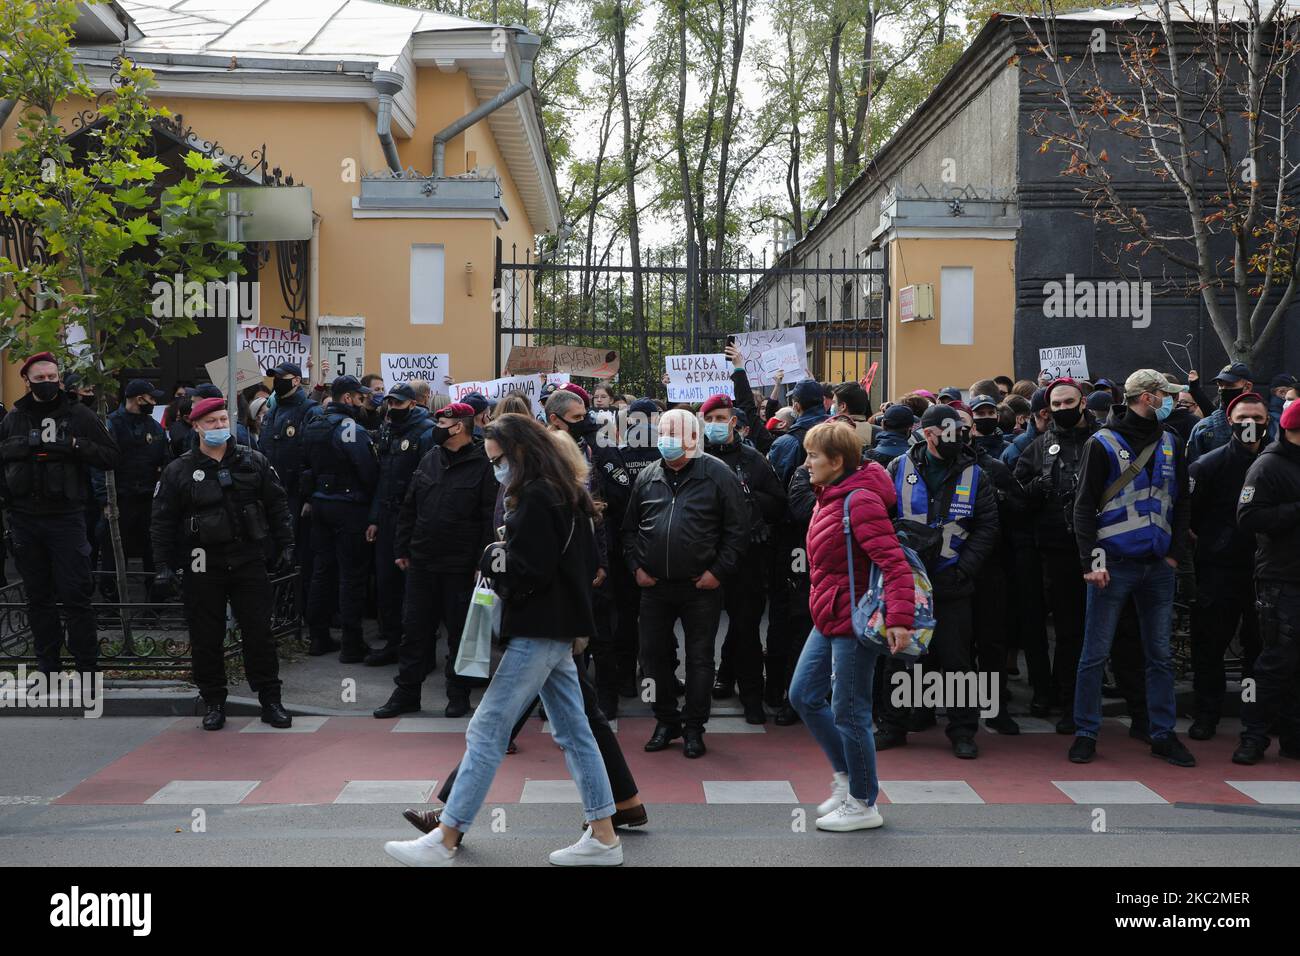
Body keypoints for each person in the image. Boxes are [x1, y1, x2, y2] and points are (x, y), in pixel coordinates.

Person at [383, 414, 625, 867]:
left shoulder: (536, 497)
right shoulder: (566, 492)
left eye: (498, 460)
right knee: (574, 732)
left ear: (518, 454)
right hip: (559, 623)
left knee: (488, 728)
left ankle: (447, 835)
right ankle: (604, 836)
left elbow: (531, 569)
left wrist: (495, 559)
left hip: (538, 625)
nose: (496, 469)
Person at [792, 420, 914, 831]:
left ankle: (863, 802)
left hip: (855, 620)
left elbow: (893, 563)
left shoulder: (858, 500)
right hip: (829, 614)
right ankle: (847, 778)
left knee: (850, 711)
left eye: (812, 455)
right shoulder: (828, 495)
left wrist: (899, 620)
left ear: (837, 461)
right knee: (804, 695)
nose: (806, 463)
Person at [1068, 370, 1194, 767]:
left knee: (1159, 655)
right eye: (1165, 394)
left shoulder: (1172, 441)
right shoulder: (1102, 443)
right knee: (1094, 653)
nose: (1170, 401)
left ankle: (1162, 733)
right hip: (1113, 564)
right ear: (1147, 397)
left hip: (1157, 565)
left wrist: (1174, 556)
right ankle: (1085, 732)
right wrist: (1091, 562)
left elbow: (1181, 502)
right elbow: (1083, 507)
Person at [150, 397, 294, 730]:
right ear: (196, 426)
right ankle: (214, 701)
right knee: (206, 635)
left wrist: (287, 544)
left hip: (247, 559)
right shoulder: (178, 470)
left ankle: (270, 700)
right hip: (202, 563)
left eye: (222, 421)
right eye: (211, 422)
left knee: (259, 632)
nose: (219, 427)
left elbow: (276, 505)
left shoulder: (253, 460)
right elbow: (162, 521)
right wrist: (163, 565)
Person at [623, 408, 749, 757]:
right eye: (663, 433)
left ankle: (694, 727)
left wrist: (718, 572)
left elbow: (738, 531)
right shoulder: (648, 475)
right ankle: (666, 721)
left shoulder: (718, 475)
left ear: (694, 438)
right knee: (652, 657)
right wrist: (636, 567)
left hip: (700, 588)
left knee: (700, 660)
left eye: (675, 435)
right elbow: (630, 530)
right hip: (654, 587)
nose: (666, 441)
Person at [878, 403, 999, 758]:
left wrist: (965, 569)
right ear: (927, 434)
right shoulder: (897, 468)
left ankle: (963, 731)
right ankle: (892, 725)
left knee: (957, 659)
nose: (957, 439)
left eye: (961, 432)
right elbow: (881, 519)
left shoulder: (976, 474)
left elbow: (987, 526)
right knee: (898, 655)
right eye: (949, 433)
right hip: (907, 583)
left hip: (952, 581)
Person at [0, 353, 120, 676]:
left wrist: (77, 446)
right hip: (25, 520)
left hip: (66, 519)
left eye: (52, 377)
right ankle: (48, 667)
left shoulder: (78, 415)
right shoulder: (14, 418)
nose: (47, 383)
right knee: (38, 599)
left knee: (75, 595)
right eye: (39, 379)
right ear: (26, 380)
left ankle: (86, 667)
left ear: (60, 378)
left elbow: (111, 456)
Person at [376, 402, 498, 719]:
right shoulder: (431, 458)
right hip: (423, 560)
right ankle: (406, 693)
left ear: (458, 426)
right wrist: (402, 548)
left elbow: (489, 518)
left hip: (460, 566)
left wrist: (480, 563)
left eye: (441, 421)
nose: (436, 426)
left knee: (459, 633)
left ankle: (457, 694)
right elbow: (410, 506)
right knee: (414, 629)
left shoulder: (484, 463)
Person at [1188, 393, 1270, 748]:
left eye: (1257, 417)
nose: (1250, 423)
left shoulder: (1277, 462)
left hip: (1265, 574)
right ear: (1230, 420)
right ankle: (1207, 714)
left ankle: (1255, 716)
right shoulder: (1208, 466)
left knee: (1259, 651)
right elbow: (1189, 518)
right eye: (1243, 417)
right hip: (1218, 570)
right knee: (1209, 647)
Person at [1015, 379, 1097, 727]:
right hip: (1046, 548)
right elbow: (1017, 495)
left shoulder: (1101, 442)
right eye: (1056, 404)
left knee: (1072, 630)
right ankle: (1043, 691)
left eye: (1069, 402)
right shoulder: (1037, 446)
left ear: (1083, 403)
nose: (1063, 409)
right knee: (1037, 626)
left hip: (1090, 549)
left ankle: (1069, 702)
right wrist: (1038, 487)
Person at [544, 389, 631, 718]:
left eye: (586, 416)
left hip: (594, 556)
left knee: (600, 633)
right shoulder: (539, 452)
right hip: (553, 561)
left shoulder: (600, 446)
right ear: (555, 420)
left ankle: (605, 699)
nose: (587, 423)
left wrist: (603, 556)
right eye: (578, 419)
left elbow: (618, 497)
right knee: (555, 636)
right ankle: (556, 700)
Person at [701, 394, 786, 723]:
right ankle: (701, 700)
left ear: (734, 421)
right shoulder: (697, 457)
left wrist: (746, 495)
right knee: (701, 634)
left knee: (746, 629)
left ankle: (752, 696)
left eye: (721, 419)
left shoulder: (754, 461)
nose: (715, 426)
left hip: (747, 558)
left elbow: (779, 505)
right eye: (709, 420)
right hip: (704, 558)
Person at [1235, 398, 1300, 764]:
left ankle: (1293, 735)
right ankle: (1252, 736)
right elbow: (1249, 517)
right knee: (1273, 662)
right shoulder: (1268, 466)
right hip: (1280, 579)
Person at [301, 376, 379, 662]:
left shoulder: (314, 424)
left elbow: (305, 465)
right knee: (352, 576)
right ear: (347, 398)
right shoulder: (350, 429)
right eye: (360, 398)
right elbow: (368, 470)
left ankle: (318, 637)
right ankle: (351, 643)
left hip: (321, 504)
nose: (363, 403)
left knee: (323, 571)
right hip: (349, 506)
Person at [365, 383, 437, 666]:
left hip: (415, 519)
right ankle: (394, 642)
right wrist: (374, 518)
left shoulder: (426, 432)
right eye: (390, 404)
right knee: (387, 584)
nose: (393, 408)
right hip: (387, 515)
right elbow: (382, 478)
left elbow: (429, 482)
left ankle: (422, 651)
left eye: (398, 404)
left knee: (416, 588)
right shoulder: (387, 430)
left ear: (412, 404)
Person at [92, 379, 169, 600]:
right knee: (113, 556)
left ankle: (155, 605)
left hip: (147, 501)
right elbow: (99, 466)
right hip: (119, 500)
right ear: (139, 399)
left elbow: (164, 461)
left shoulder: (153, 427)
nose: (154, 402)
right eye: (151, 398)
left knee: (152, 552)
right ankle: (113, 606)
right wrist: (106, 501)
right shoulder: (111, 424)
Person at [259, 362, 320, 611]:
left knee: (297, 554)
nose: (276, 381)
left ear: (296, 380)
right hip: (271, 494)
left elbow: (313, 457)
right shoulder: (273, 411)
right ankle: (278, 606)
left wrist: (308, 497)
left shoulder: (309, 410)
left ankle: (298, 610)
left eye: (281, 377)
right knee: (274, 551)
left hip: (296, 494)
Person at [1187, 362, 1275, 464]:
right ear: (1230, 420)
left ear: (1247, 387)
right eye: (1220, 385)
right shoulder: (1204, 427)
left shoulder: (1268, 424)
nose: (1223, 390)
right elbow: (1192, 468)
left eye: (1229, 385)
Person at [768, 379, 830, 486]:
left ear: (796, 406)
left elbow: (775, 485)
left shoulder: (786, 442)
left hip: (799, 499)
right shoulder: (839, 431)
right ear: (823, 400)